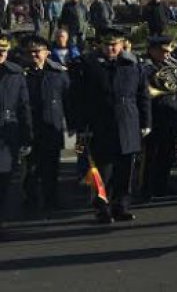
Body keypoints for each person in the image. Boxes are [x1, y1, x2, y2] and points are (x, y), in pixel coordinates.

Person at [69, 27, 150, 223]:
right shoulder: (88, 65)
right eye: (107, 45)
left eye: (115, 45)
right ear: (100, 45)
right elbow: (76, 98)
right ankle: (101, 208)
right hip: (100, 125)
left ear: (122, 45)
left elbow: (143, 96)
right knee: (102, 172)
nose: (111, 49)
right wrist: (79, 126)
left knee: (125, 170)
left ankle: (120, 206)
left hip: (128, 123)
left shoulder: (132, 64)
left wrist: (146, 122)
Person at [20, 36, 70, 213]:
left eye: (38, 51)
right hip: (30, 129)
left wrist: (73, 125)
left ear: (47, 52)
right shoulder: (20, 75)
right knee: (31, 169)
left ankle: (51, 200)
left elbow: (69, 100)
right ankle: (31, 201)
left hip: (52, 127)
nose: (34, 54)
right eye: (30, 51)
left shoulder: (58, 74)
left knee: (51, 168)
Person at [139, 36, 177, 200]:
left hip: (170, 115)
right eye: (163, 51)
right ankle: (145, 187)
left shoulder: (170, 65)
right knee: (150, 155)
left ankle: (161, 184)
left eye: (168, 51)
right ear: (152, 50)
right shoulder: (146, 68)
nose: (167, 54)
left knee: (167, 153)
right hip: (154, 117)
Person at [0, 34, 30, 229]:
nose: (0, 54)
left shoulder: (15, 74)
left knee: (4, 179)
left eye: (3, 51)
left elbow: (23, 106)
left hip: (7, 132)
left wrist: (27, 137)